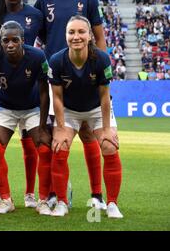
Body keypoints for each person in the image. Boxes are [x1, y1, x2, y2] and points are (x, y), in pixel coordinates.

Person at [34, 0, 108, 209]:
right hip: (54, 79)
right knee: (56, 137)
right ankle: (56, 193)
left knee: (88, 135)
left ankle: (97, 195)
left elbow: (99, 38)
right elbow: (36, 36)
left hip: (84, 77)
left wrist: (102, 70)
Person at [48, 15, 123, 218]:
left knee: (109, 145)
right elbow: (56, 97)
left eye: (81, 32)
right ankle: (62, 202)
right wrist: (61, 126)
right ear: (65, 36)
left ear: (90, 35)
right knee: (60, 145)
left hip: (97, 109)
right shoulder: (56, 61)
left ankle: (112, 203)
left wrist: (107, 128)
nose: (76, 36)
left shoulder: (101, 58)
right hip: (69, 110)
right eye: (71, 32)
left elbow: (105, 96)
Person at [0, 0, 44, 208]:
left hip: (32, 96)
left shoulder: (36, 17)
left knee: (35, 146)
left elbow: (46, 42)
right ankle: (1, 196)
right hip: (7, 97)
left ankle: (35, 194)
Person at [0, 21, 51, 214]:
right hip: (7, 109)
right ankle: (6, 200)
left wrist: (44, 126)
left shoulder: (37, 56)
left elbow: (45, 92)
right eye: (6, 40)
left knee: (45, 149)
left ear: (23, 40)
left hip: (33, 108)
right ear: (0, 42)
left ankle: (43, 200)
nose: (10, 44)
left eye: (15, 40)